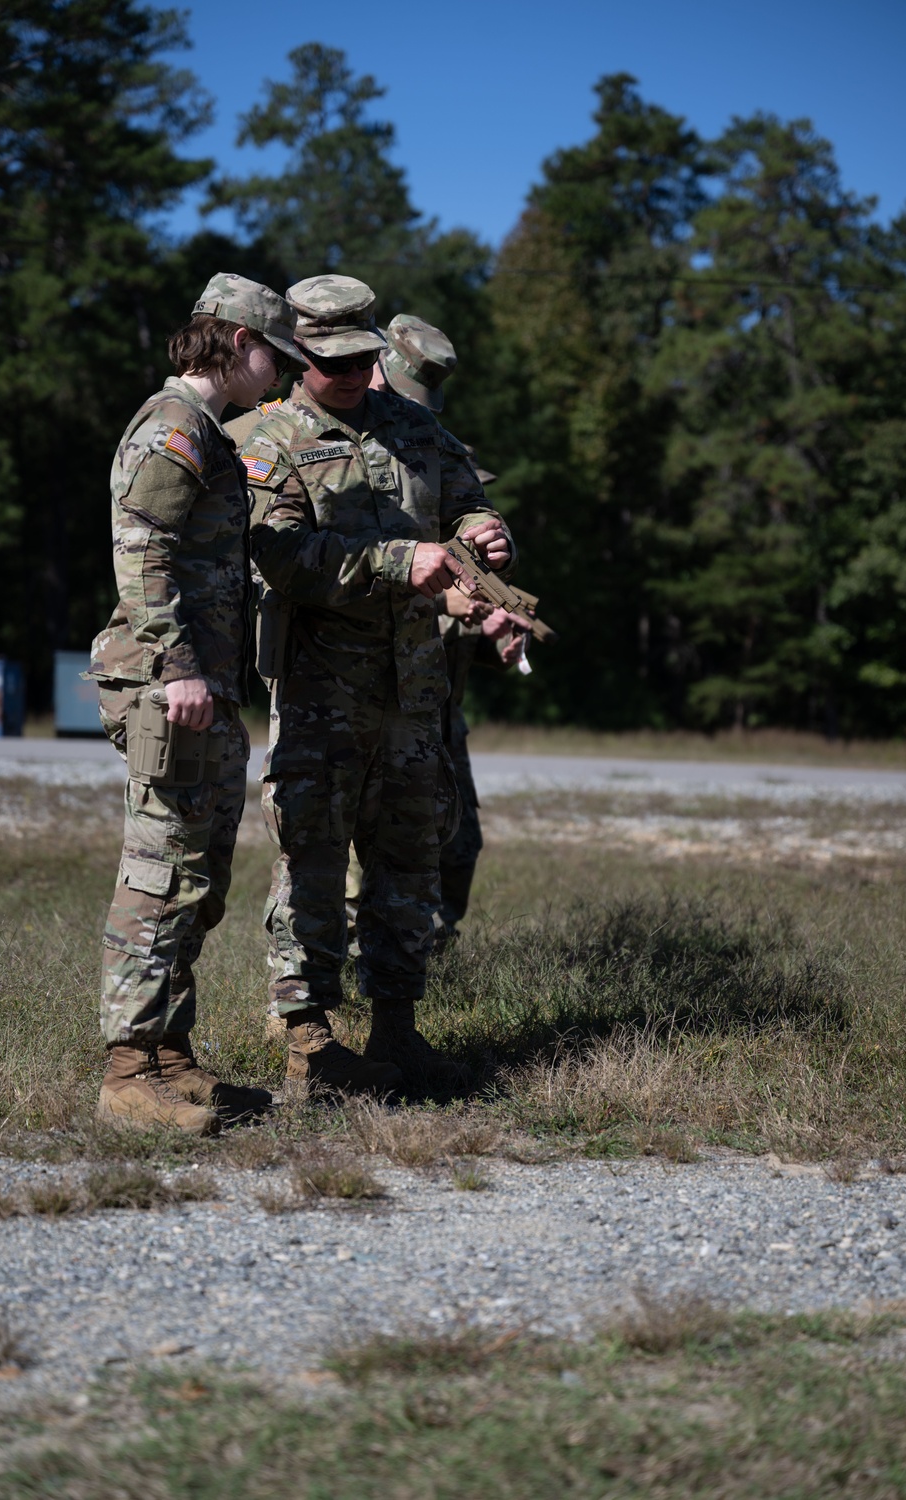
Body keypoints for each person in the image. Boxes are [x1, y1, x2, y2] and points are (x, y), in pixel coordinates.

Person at [241, 275, 517, 1094]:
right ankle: (309, 1041)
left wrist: (484, 534)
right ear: (299, 354)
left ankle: (398, 1028)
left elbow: (462, 509)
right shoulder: (267, 438)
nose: (353, 375)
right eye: (333, 362)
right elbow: (280, 556)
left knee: (409, 860)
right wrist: (402, 559)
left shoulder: (417, 428)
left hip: (416, 689)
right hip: (324, 688)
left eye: (363, 358)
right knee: (313, 858)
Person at [88, 273, 307, 1134]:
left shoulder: (207, 431)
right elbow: (140, 551)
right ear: (238, 342)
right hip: (167, 686)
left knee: (199, 876)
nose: (282, 375)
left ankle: (171, 1060)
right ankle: (126, 1075)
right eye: (275, 356)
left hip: (206, 689)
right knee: (159, 870)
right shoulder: (173, 427)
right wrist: (178, 664)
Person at [364, 315, 531, 947]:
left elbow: (486, 544)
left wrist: (491, 625)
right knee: (354, 853)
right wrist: (449, 608)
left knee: (450, 842)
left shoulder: (436, 459)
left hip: (434, 699)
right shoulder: (347, 456)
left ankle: (427, 954)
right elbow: (349, 574)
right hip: (365, 687)